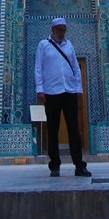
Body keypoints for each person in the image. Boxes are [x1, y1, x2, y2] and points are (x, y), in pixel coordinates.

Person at [35, 17, 92, 177]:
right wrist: (40, 89)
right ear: (53, 29)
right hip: (51, 92)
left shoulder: (69, 45)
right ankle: (55, 166)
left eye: (64, 30)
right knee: (52, 129)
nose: (62, 33)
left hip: (69, 91)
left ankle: (79, 165)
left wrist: (78, 88)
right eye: (60, 30)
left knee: (74, 129)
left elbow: (75, 67)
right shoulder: (43, 45)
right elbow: (38, 68)